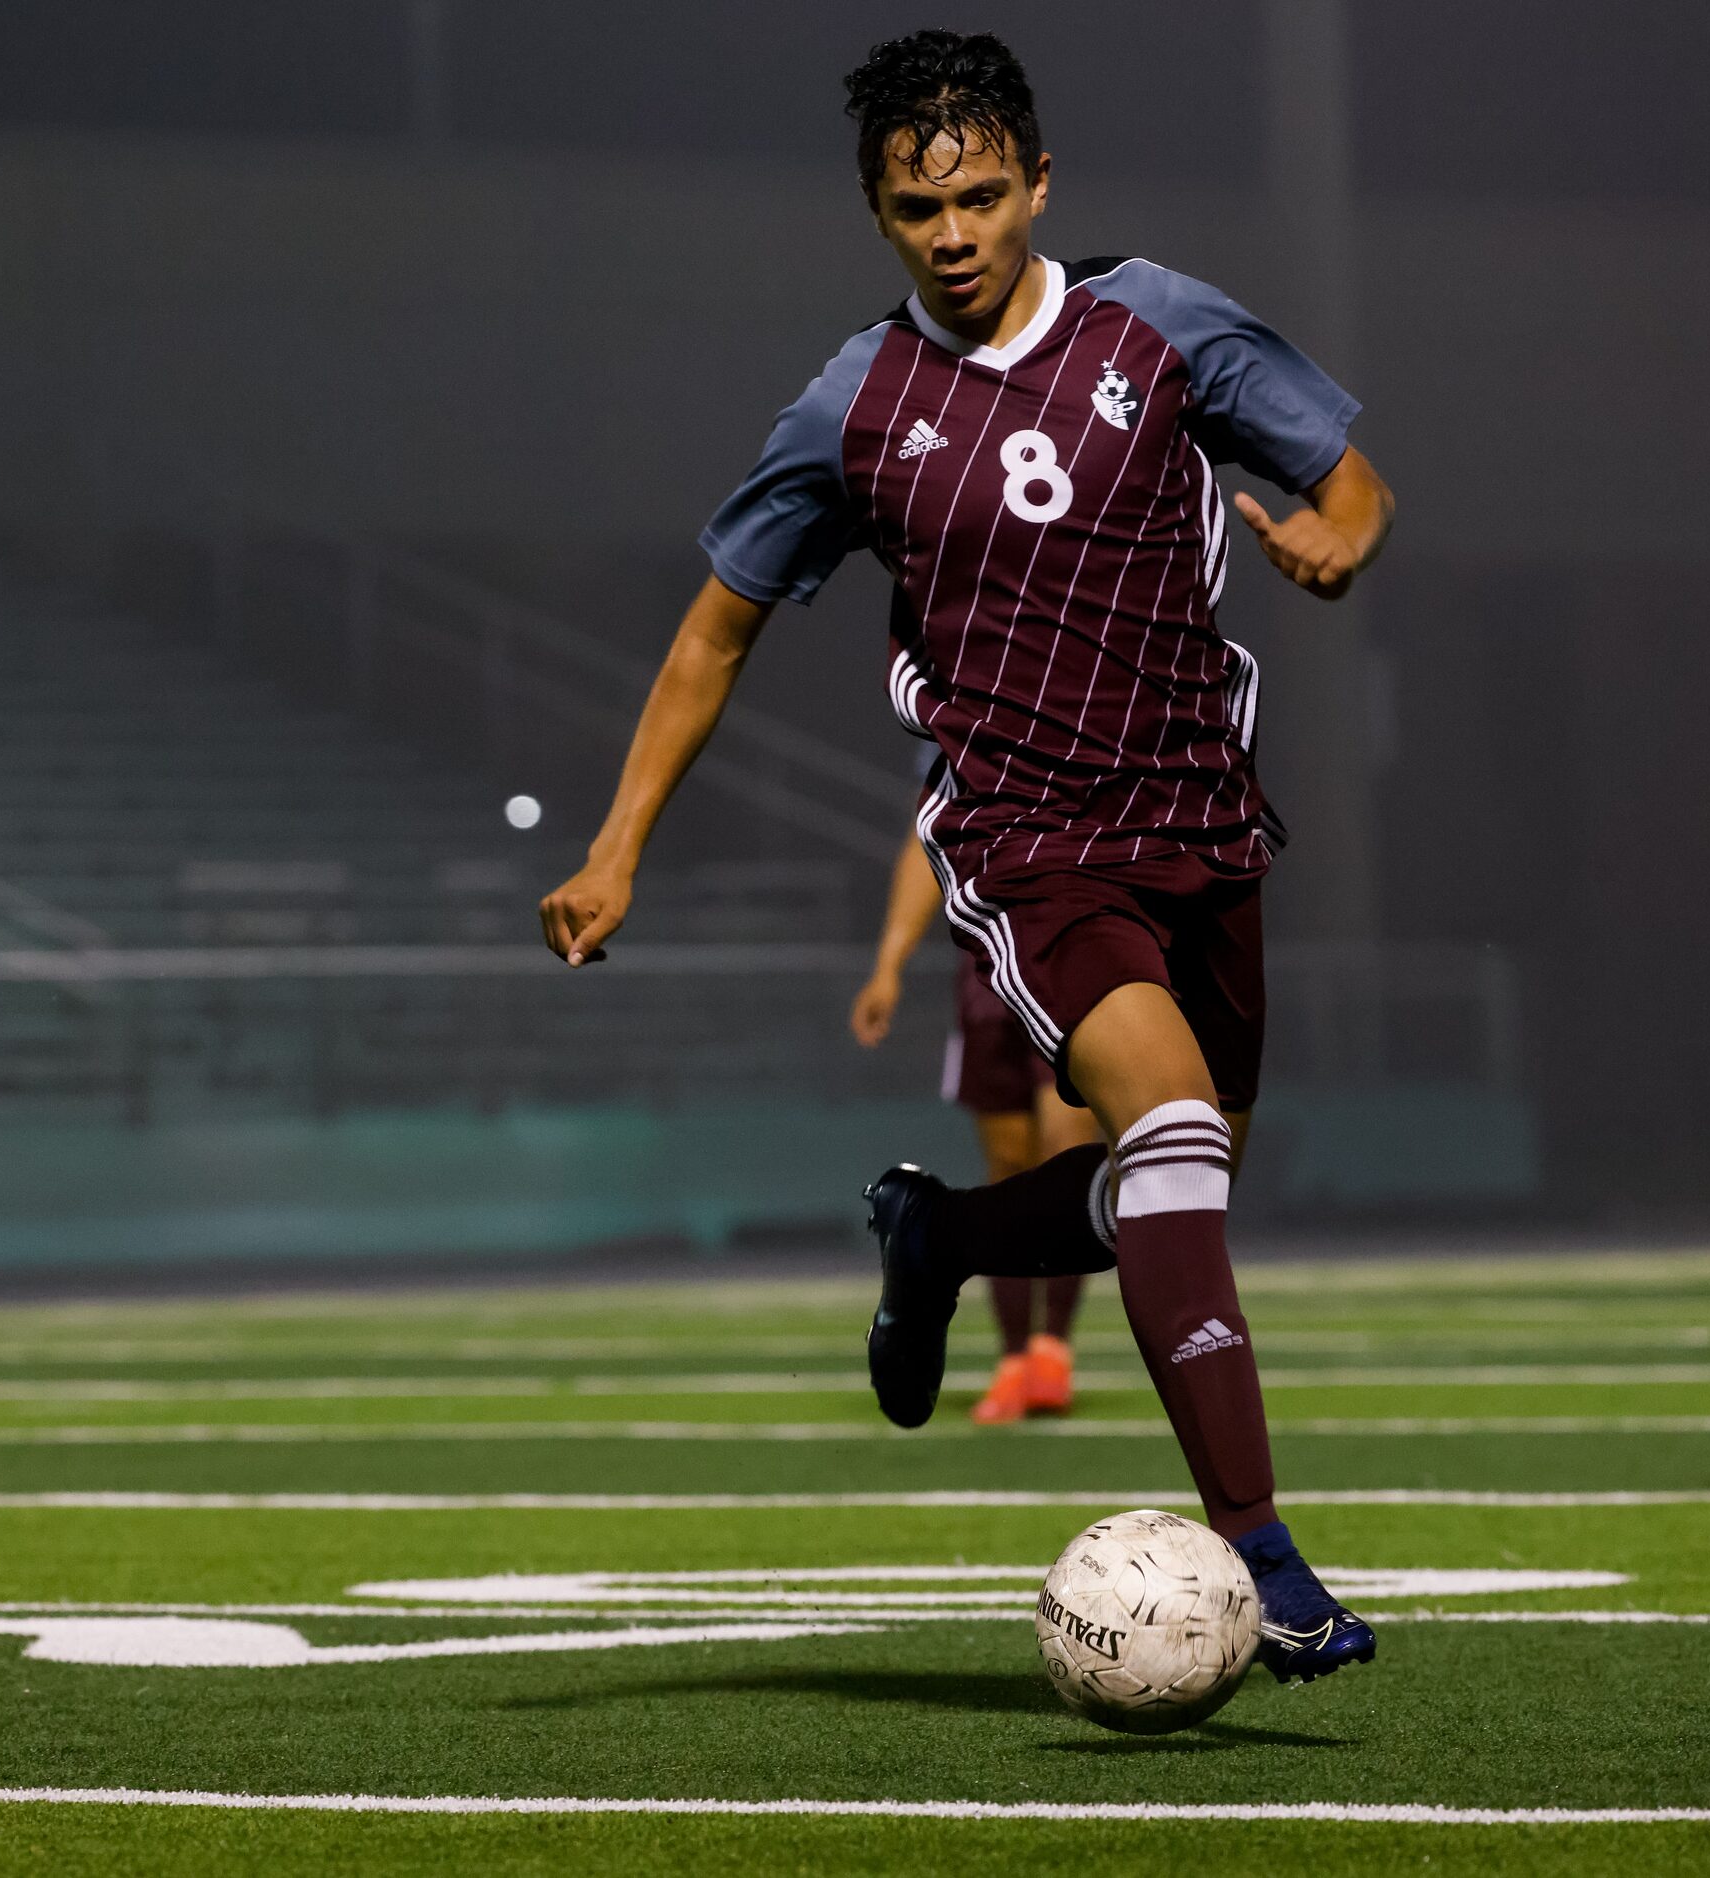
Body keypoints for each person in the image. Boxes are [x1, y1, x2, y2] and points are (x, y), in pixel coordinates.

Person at [539, 31, 1392, 1681]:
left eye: (984, 196)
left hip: (1204, 817)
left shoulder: (1165, 321)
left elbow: (1346, 478)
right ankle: (1264, 1549)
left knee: (1172, 1176)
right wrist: (615, 844)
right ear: (878, 211)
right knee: (1175, 1133)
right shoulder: (850, 407)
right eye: (917, 207)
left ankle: (936, 1237)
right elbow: (715, 632)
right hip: (1029, 830)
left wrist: (1338, 540)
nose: (954, 234)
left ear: (1039, 183)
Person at [851, 828, 1098, 1423]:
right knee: (1009, 1169)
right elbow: (923, 837)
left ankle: (1052, 1350)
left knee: (1066, 1155)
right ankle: (1014, 1359)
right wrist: (889, 963)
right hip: (988, 968)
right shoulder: (955, 737)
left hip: (1076, 950)